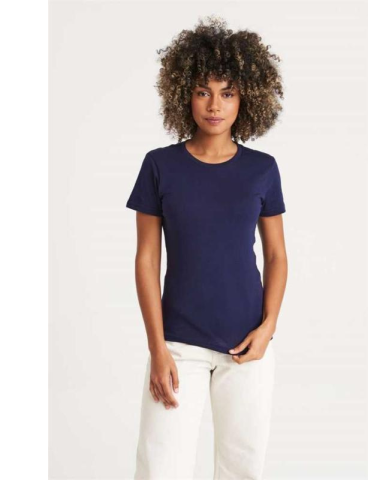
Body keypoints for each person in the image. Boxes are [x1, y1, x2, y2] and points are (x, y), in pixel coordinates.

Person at [126, 16, 288, 480]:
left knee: (242, 469)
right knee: (161, 468)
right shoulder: (160, 166)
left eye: (227, 93)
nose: (214, 105)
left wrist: (268, 327)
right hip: (178, 343)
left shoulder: (262, 169)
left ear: (246, 97)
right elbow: (146, 259)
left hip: (248, 345)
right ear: (184, 94)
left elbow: (276, 256)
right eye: (203, 91)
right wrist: (157, 348)